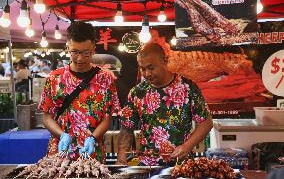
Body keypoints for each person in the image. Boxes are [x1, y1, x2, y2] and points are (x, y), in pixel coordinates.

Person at [116, 43, 213, 166]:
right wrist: (121, 158)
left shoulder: (187, 88)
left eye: (151, 68)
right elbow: (126, 128)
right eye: (142, 68)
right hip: (148, 167)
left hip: (181, 165)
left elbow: (206, 122)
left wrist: (187, 146)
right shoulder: (137, 92)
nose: (147, 74)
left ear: (164, 61)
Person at [38, 21, 120, 163]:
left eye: (86, 53)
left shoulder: (105, 78)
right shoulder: (54, 78)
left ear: (93, 49)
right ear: (67, 47)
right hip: (59, 153)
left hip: (93, 153)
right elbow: (46, 117)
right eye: (74, 52)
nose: (80, 58)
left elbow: (107, 119)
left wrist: (93, 138)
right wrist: (62, 135)